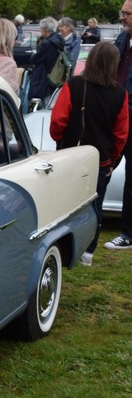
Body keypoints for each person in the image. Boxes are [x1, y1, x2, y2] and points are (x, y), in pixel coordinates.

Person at [50, 41, 129, 264]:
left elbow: (58, 121)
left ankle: (62, 246)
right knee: (95, 204)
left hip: (71, 155)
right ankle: (88, 251)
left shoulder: (73, 85)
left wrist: (60, 142)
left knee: (64, 202)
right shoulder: (120, 94)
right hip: (101, 159)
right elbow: (121, 133)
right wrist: (113, 159)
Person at [108, 1, 132, 249]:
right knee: (103, 168)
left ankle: (128, 233)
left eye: (127, 13)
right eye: (121, 13)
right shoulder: (121, 40)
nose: (122, 17)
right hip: (116, 116)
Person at [28, 16, 64, 108]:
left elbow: (34, 59)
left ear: (45, 29)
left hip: (43, 78)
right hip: (54, 76)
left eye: (41, 29)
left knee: (43, 106)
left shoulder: (47, 44)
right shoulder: (59, 40)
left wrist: (34, 54)